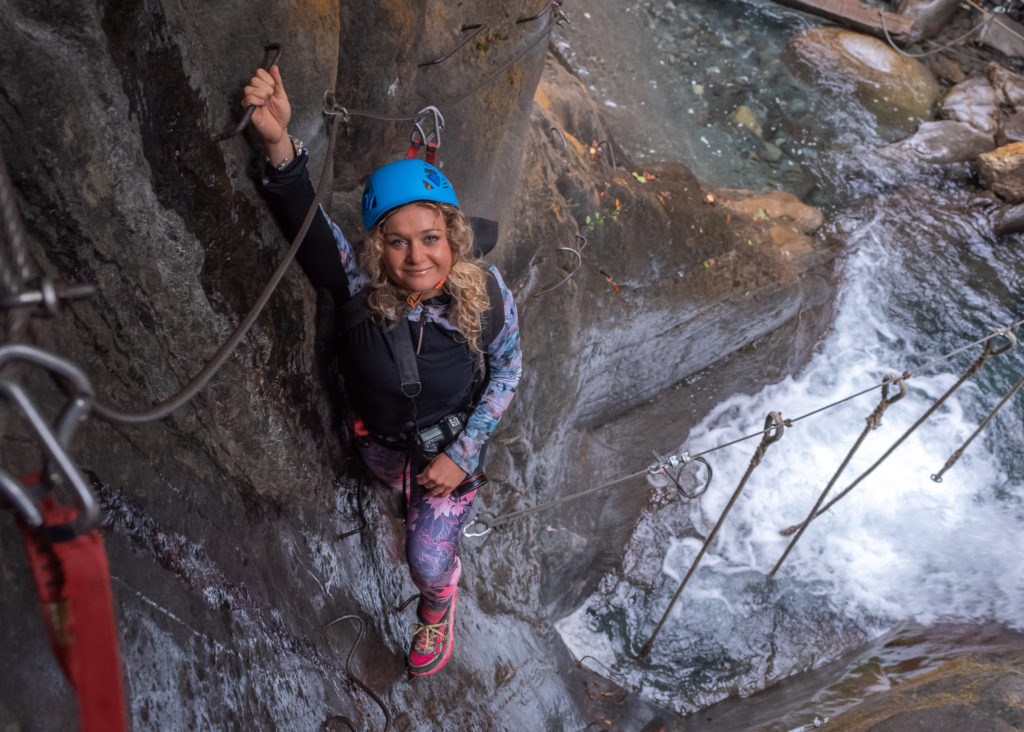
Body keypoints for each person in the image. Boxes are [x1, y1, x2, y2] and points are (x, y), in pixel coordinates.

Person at [242, 65, 522, 677]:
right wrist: (276, 142)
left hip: (448, 452)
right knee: (388, 487)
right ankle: (406, 500)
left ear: (451, 235)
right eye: (397, 242)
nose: (417, 257)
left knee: (425, 557)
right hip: (380, 443)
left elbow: (506, 371)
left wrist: (465, 453)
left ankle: (438, 601)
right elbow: (309, 226)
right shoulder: (358, 288)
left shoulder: (489, 295)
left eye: (429, 237)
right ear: (377, 247)